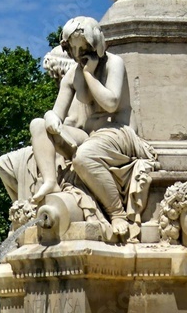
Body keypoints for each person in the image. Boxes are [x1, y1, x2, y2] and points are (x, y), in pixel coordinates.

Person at [28, 16, 157, 241]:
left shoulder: (113, 63)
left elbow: (111, 103)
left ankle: (117, 214)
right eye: (74, 48)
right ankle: (50, 181)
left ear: (95, 43)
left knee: (82, 158)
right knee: (38, 125)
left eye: (83, 47)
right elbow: (57, 111)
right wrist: (52, 118)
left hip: (120, 132)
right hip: (91, 136)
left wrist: (89, 74)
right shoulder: (72, 74)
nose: (79, 54)